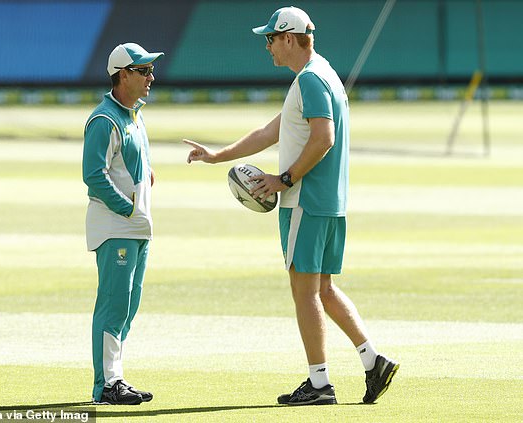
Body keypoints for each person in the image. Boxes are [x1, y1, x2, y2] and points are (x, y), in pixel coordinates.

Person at [184, 7, 399, 406]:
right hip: (330, 203)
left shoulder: (311, 80)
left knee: (305, 292)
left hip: (306, 202)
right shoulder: (324, 75)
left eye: (270, 38)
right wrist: (217, 156)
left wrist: (284, 180)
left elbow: (324, 137)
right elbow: (272, 131)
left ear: (288, 38)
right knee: (323, 289)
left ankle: (319, 384)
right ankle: (373, 362)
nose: (267, 46)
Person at [82, 42, 163, 406]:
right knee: (115, 304)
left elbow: (127, 161)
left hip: (136, 226)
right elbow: (93, 174)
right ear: (123, 75)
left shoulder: (134, 114)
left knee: (128, 305)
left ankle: (117, 378)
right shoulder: (104, 118)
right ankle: (107, 385)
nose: (151, 77)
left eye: (149, 70)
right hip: (117, 226)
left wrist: (146, 176)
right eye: (143, 71)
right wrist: (128, 208)